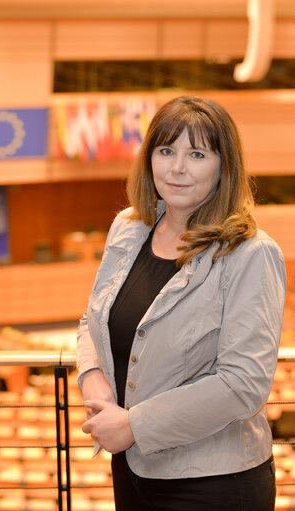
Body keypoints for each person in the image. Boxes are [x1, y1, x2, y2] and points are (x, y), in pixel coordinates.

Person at [77, 95, 286, 511]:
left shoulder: (250, 254)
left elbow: (242, 384)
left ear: (224, 167)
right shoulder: (128, 227)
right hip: (132, 469)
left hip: (213, 482)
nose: (177, 167)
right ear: (149, 157)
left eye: (197, 154)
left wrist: (134, 425)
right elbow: (92, 319)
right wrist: (92, 376)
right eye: (166, 150)